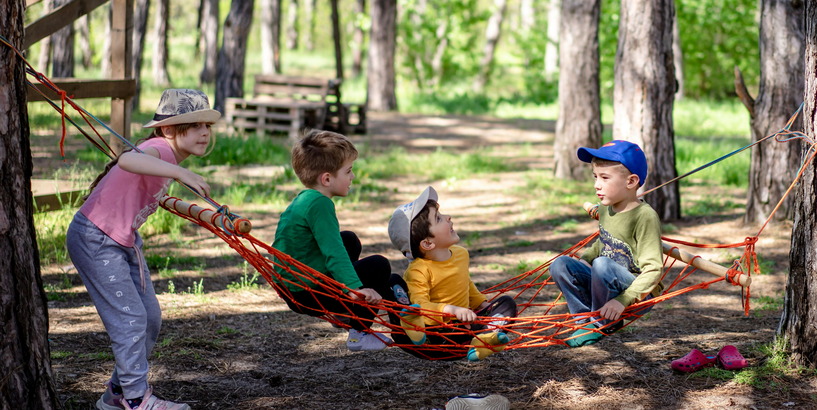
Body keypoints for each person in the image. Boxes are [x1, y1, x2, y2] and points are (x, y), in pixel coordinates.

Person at [66, 89, 219, 410]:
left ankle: (116, 395)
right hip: (96, 239)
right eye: (194, 125)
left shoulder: (167, 156)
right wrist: (180, 173)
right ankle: (136, 400)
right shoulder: (158, 149)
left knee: (149, 318)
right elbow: (128, 158)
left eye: (207, 125)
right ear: (167, 130)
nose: (205, 132)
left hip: (122, 241)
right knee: (131, 319)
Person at [271, 129, 402, 352]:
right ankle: (360, 333)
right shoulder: (321, 205)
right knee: (379, 265)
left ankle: (342, 311)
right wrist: (355, 289)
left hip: (291, 285)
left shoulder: (305, 198)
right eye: (348, 171)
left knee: (350, 240)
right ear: (327, 178)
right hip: (308, 293)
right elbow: (334, 253)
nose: (353, 177)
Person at [549, 140, 664, 347]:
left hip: (638, 295)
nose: (596, 185)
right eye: (595, 177)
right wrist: (584, 261)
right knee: (560, 264)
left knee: (602, 264)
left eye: (604, 177)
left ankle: (601, 323)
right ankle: (584, 322)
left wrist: (622, 300)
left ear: (631, 182)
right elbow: (604, 242)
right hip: (606, 283)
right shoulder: (606, 208)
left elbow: (653, 270)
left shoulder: (645, 217)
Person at [388, 186, 518, 361]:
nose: (448, 217)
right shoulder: (418, 270)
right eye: (439, 219)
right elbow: (421, 307)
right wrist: (452, 310)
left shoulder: (460, 254)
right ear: (427, 244)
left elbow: (465, 283)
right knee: (393, 282)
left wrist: (482, 305)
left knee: (507, 303)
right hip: (434, 338)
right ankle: (410, 327)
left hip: (465, 332)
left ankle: (484, 340)